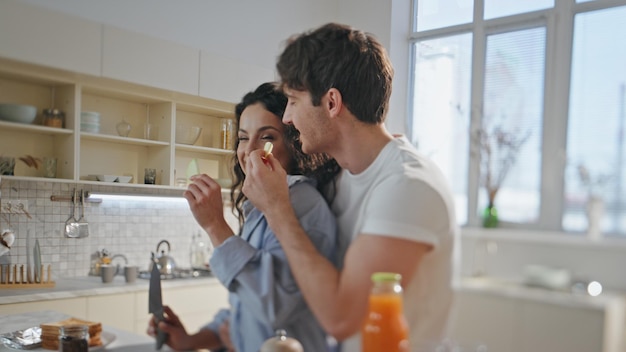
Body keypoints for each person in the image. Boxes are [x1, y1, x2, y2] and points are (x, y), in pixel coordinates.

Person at [240, 23, 458, 351]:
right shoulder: (341, 178)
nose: (286, 117)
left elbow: (341, 319)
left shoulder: (407, 187)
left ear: (331, 103)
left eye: (294, 101)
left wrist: (277, 208)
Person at [147, 82, 341, 352]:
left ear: (294, 143)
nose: (248, 151)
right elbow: (244, 306)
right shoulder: (261, 207)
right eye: (242, 138)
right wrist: (193, 340)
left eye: (267, 137)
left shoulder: (300, 203)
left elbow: (275, 307)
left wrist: (215, 226)